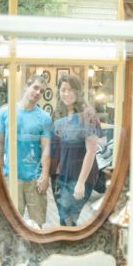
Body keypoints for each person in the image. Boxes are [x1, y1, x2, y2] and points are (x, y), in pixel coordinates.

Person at [0, 74, 52, 228]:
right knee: (11, 224)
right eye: (35, 87)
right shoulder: (5, 112)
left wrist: (45, 175)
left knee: (38, 224)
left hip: (35, 179)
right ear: (26, 86)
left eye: (42, 91)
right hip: (11, 177)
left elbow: (46, 148)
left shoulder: (45, 118)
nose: (38, 93)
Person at [50, 74, 102, 227]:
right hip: (63, 175)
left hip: (80, 176)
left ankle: (69, 249)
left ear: (78, 92)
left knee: (69, 220)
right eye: (63, 90)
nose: (66, 93)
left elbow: (91, 151)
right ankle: (65, 249)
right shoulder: (60, 116)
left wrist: (80, 183)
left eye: (70, 90)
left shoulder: (89, 115)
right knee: (64, 219)